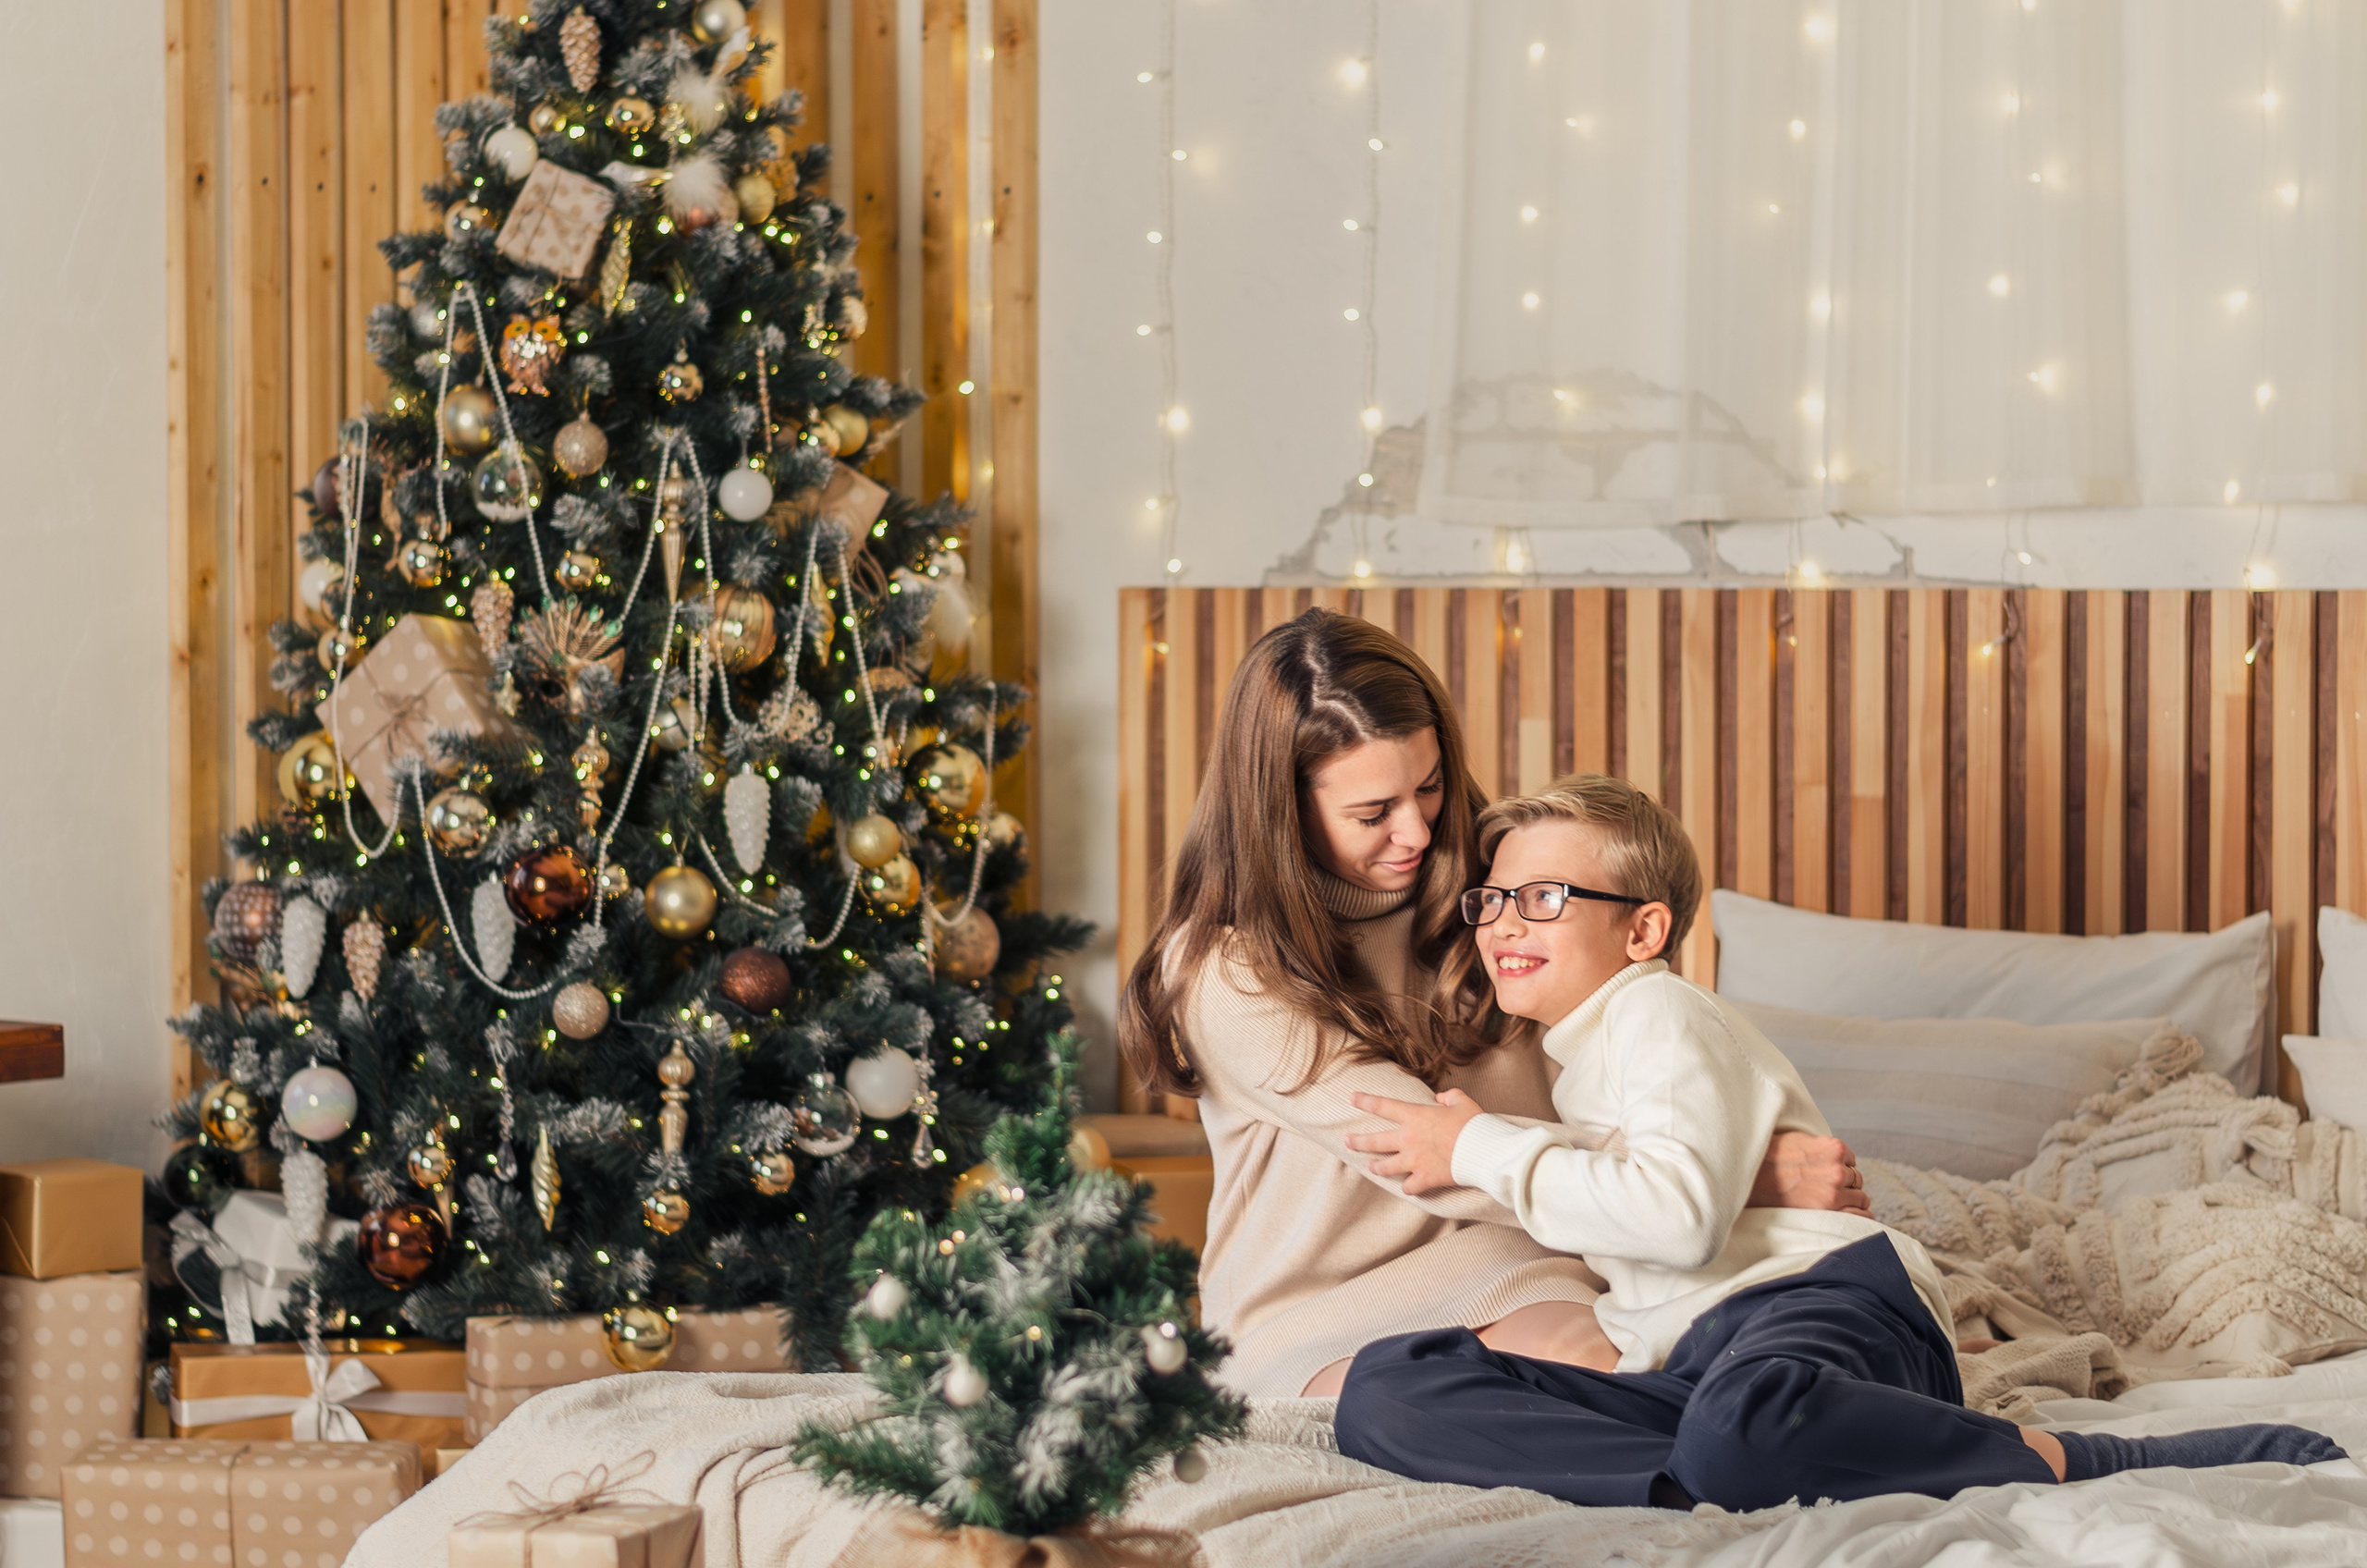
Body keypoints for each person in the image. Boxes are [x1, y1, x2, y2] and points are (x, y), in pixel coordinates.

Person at [1333, 774, 2345, 1509]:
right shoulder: (1571, 1052)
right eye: (1495, 899)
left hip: (1818, 1307)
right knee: (1385, 1384)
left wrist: (1476, 1147)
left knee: (1745, 1420)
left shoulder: (1659, 1011)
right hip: (1686, 1360)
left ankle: (2061, 1459)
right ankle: (1698, 1477)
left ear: (1643, 932)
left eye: (1545, 898)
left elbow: (1678, 1223)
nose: (1507, 920)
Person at [1116, 610, 1869, 1398]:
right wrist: (1718, 1179)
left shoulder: (1503, 885)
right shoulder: (1225, 969)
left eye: (1430, 785)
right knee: (1495, 1406)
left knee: (1647, 1385)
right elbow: (1429, 1149)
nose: (1414, 831)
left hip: (1541, 1255)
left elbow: (1639, 1066)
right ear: (1282, 809)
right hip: (1320, 1308)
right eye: (1372, 814)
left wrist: (1693, 1174)